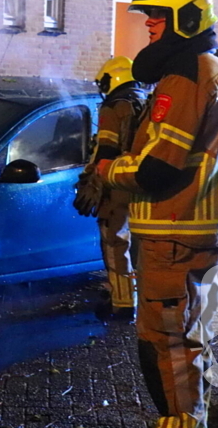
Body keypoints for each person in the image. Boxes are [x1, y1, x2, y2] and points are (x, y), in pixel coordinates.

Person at [97, 0, 218, 428]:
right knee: (184, 335)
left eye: (159, 13)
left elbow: (157, 168)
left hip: (174, 231)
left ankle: (182, 421)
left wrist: (107, 169)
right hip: (186, 230)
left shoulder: (187, 76)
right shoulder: (207, 69)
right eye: (148, 14)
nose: (149, 22)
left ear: (187, 18)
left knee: (170, 340)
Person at [74, 55, 149, 319]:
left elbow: (106, 150)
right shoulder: (144, 102)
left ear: (112, 79)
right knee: (137, 246)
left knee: (114, 244)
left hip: (116, 185)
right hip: (139, 182)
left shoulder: (113, 107)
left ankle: (122, 303)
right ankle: (138, 296)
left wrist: (91, 179)